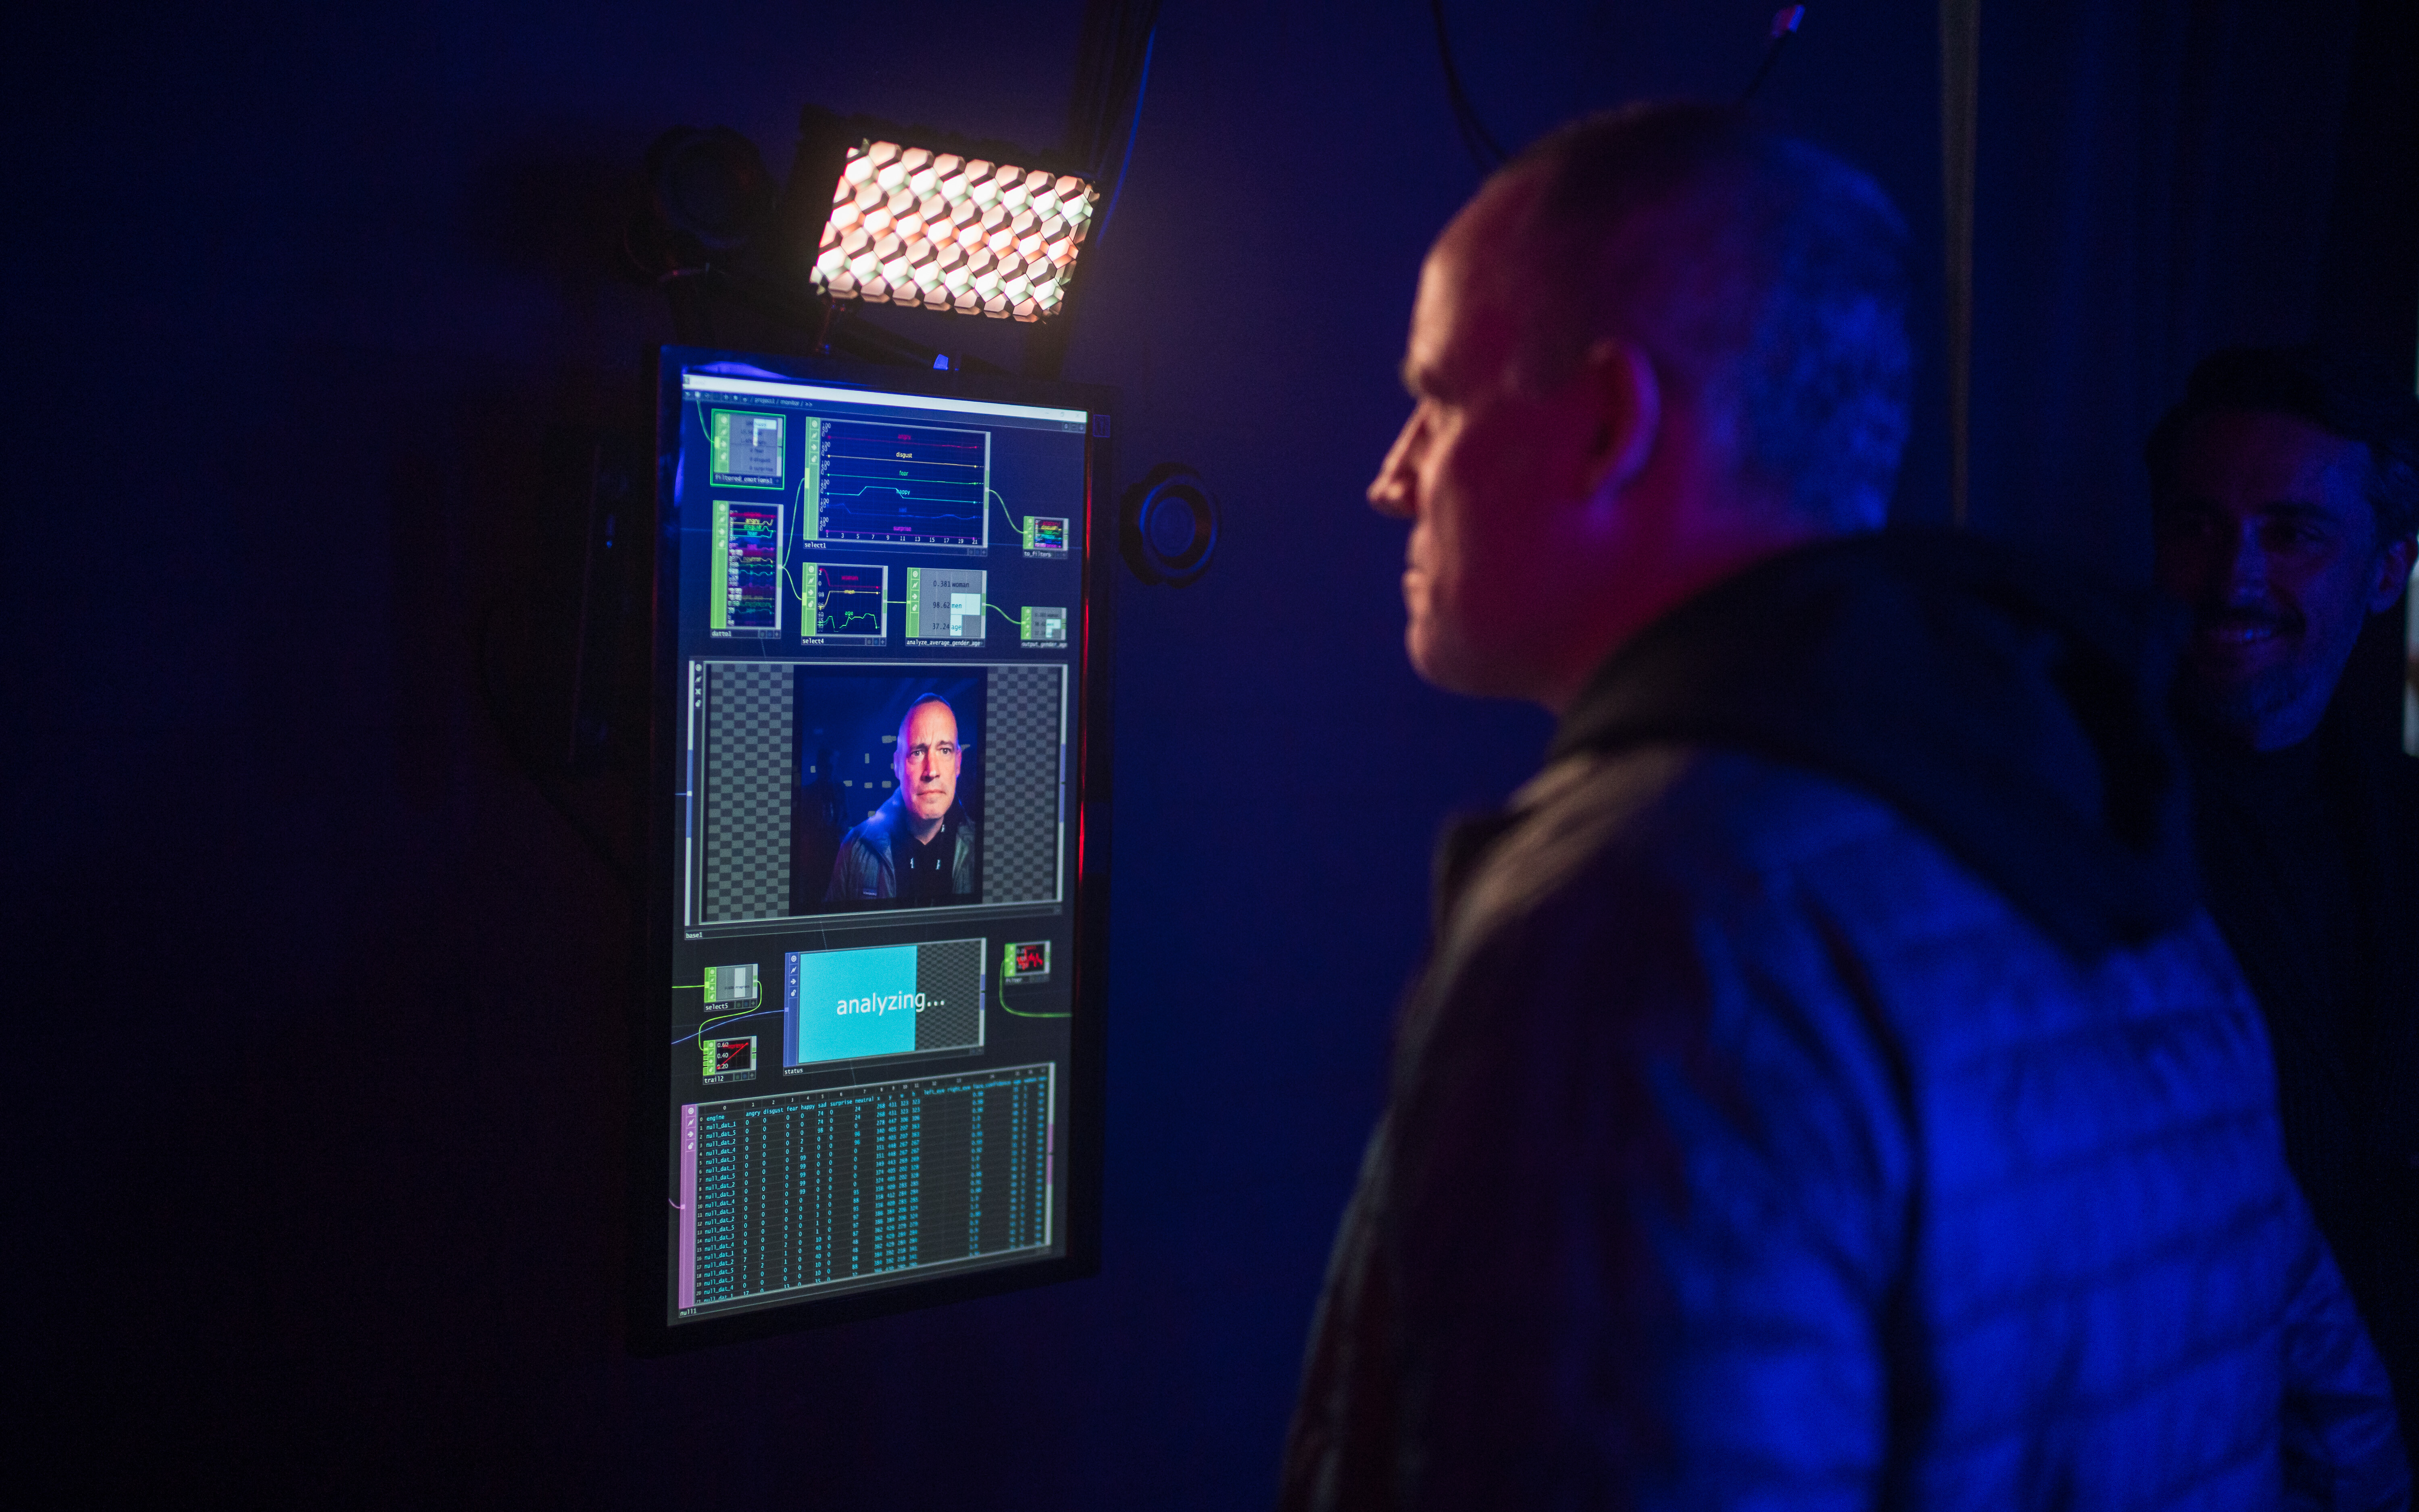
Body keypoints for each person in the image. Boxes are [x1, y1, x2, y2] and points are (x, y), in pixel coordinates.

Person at [1280, 102, 2408, 1508]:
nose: (1392, 475)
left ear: (1607, 424)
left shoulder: (1642, 928)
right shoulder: (2116, 859)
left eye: (1439, 398)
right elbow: (2342, 1426)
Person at [2148, 345, 2419, 1445]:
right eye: (2196, 525)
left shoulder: (2398, 817)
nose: (2233, 577)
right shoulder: (2074, 820)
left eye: (2291, 532)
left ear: (2388, 571)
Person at [825, 695, 978, 906]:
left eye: (945, 751)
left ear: (958, 763)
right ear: (897, 765)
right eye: (917, 753)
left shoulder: (985, 847)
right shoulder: (855, 848)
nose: (932, 771)